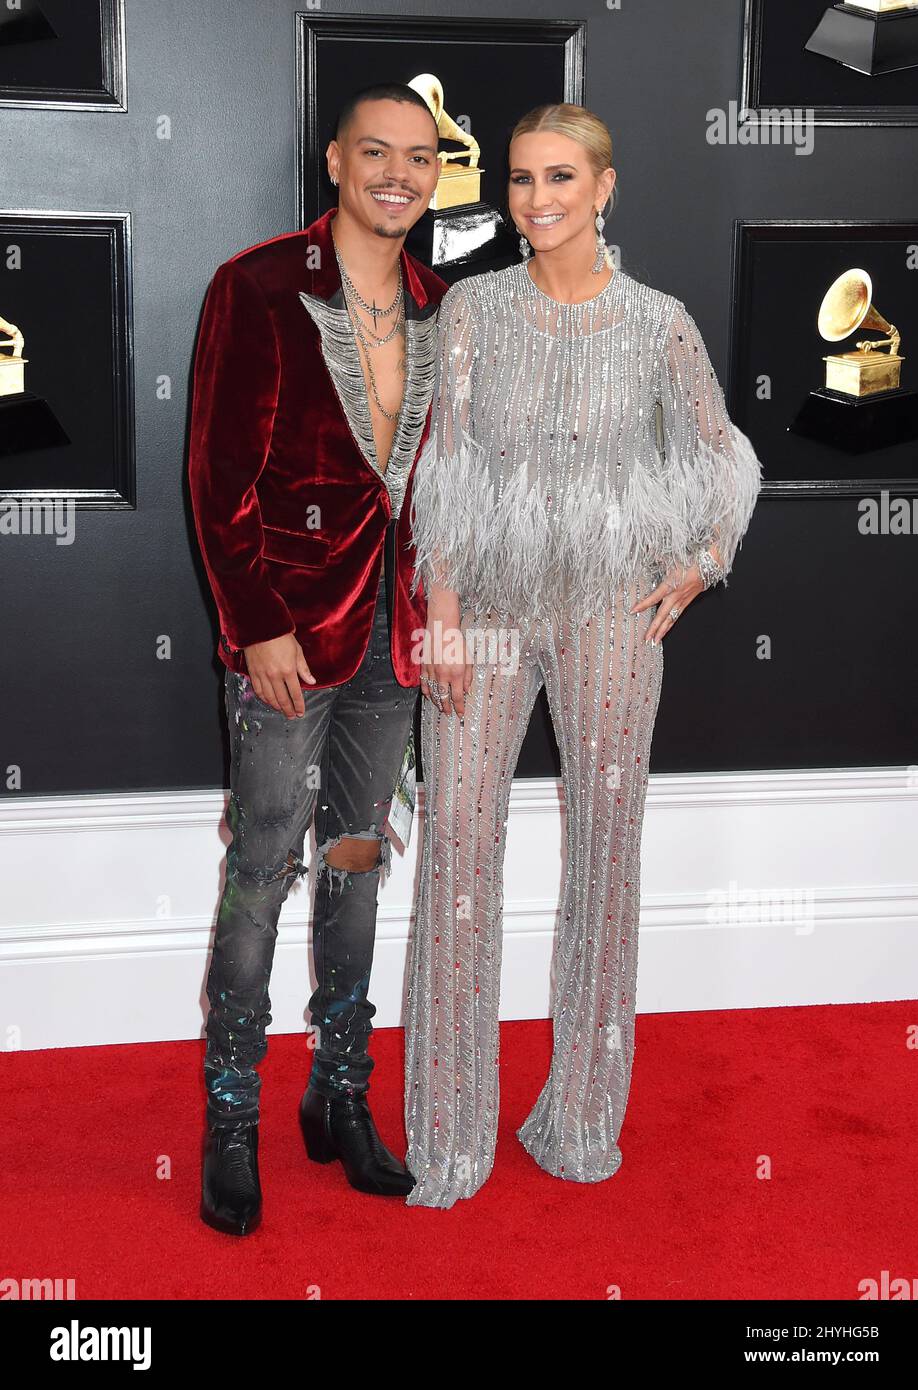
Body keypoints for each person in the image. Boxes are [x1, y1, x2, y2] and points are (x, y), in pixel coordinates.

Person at [403, 104, 763, 1208]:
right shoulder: (471, 310)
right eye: (518, 178)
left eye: (559, 176)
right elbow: (448, 471)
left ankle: (576, 1118)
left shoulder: (659, 323)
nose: (535, 198)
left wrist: (700, 559)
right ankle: (450, 1136)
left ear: (603, 186)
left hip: (614, 610)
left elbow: (725, 449)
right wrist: (445, 613)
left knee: (604, 860)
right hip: (490, 606)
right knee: (457, 854)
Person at [188, 83, 447, 1235]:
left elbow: (437, 489)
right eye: (377, 152)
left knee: (354, 861)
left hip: (391, 639)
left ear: (436, 175)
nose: (398, 173)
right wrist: (256, 622)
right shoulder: (255, 286)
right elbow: (213, 474)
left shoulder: (444, 305)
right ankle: (230, 1116)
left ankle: (338, 1093)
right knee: (259, 874)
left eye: (420, 158)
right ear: (336, 161)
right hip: (288, 639)